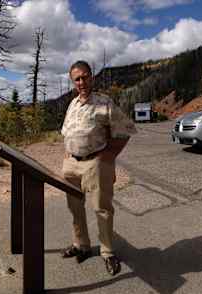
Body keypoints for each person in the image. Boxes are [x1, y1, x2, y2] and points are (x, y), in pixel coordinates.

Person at [58, 60, 136, 276]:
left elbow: (126, 129)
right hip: (71, 164)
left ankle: (108, 252)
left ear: (91, 77)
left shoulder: (104, 102)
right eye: (77, 79)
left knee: (102, 210)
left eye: (85, 77)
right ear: (73, 82)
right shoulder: (72, 104)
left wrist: (109, 156)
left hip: (95, 163)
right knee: (74, 208)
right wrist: (67, 156)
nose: (81, 82)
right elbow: (66, 133)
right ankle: (81, 244)